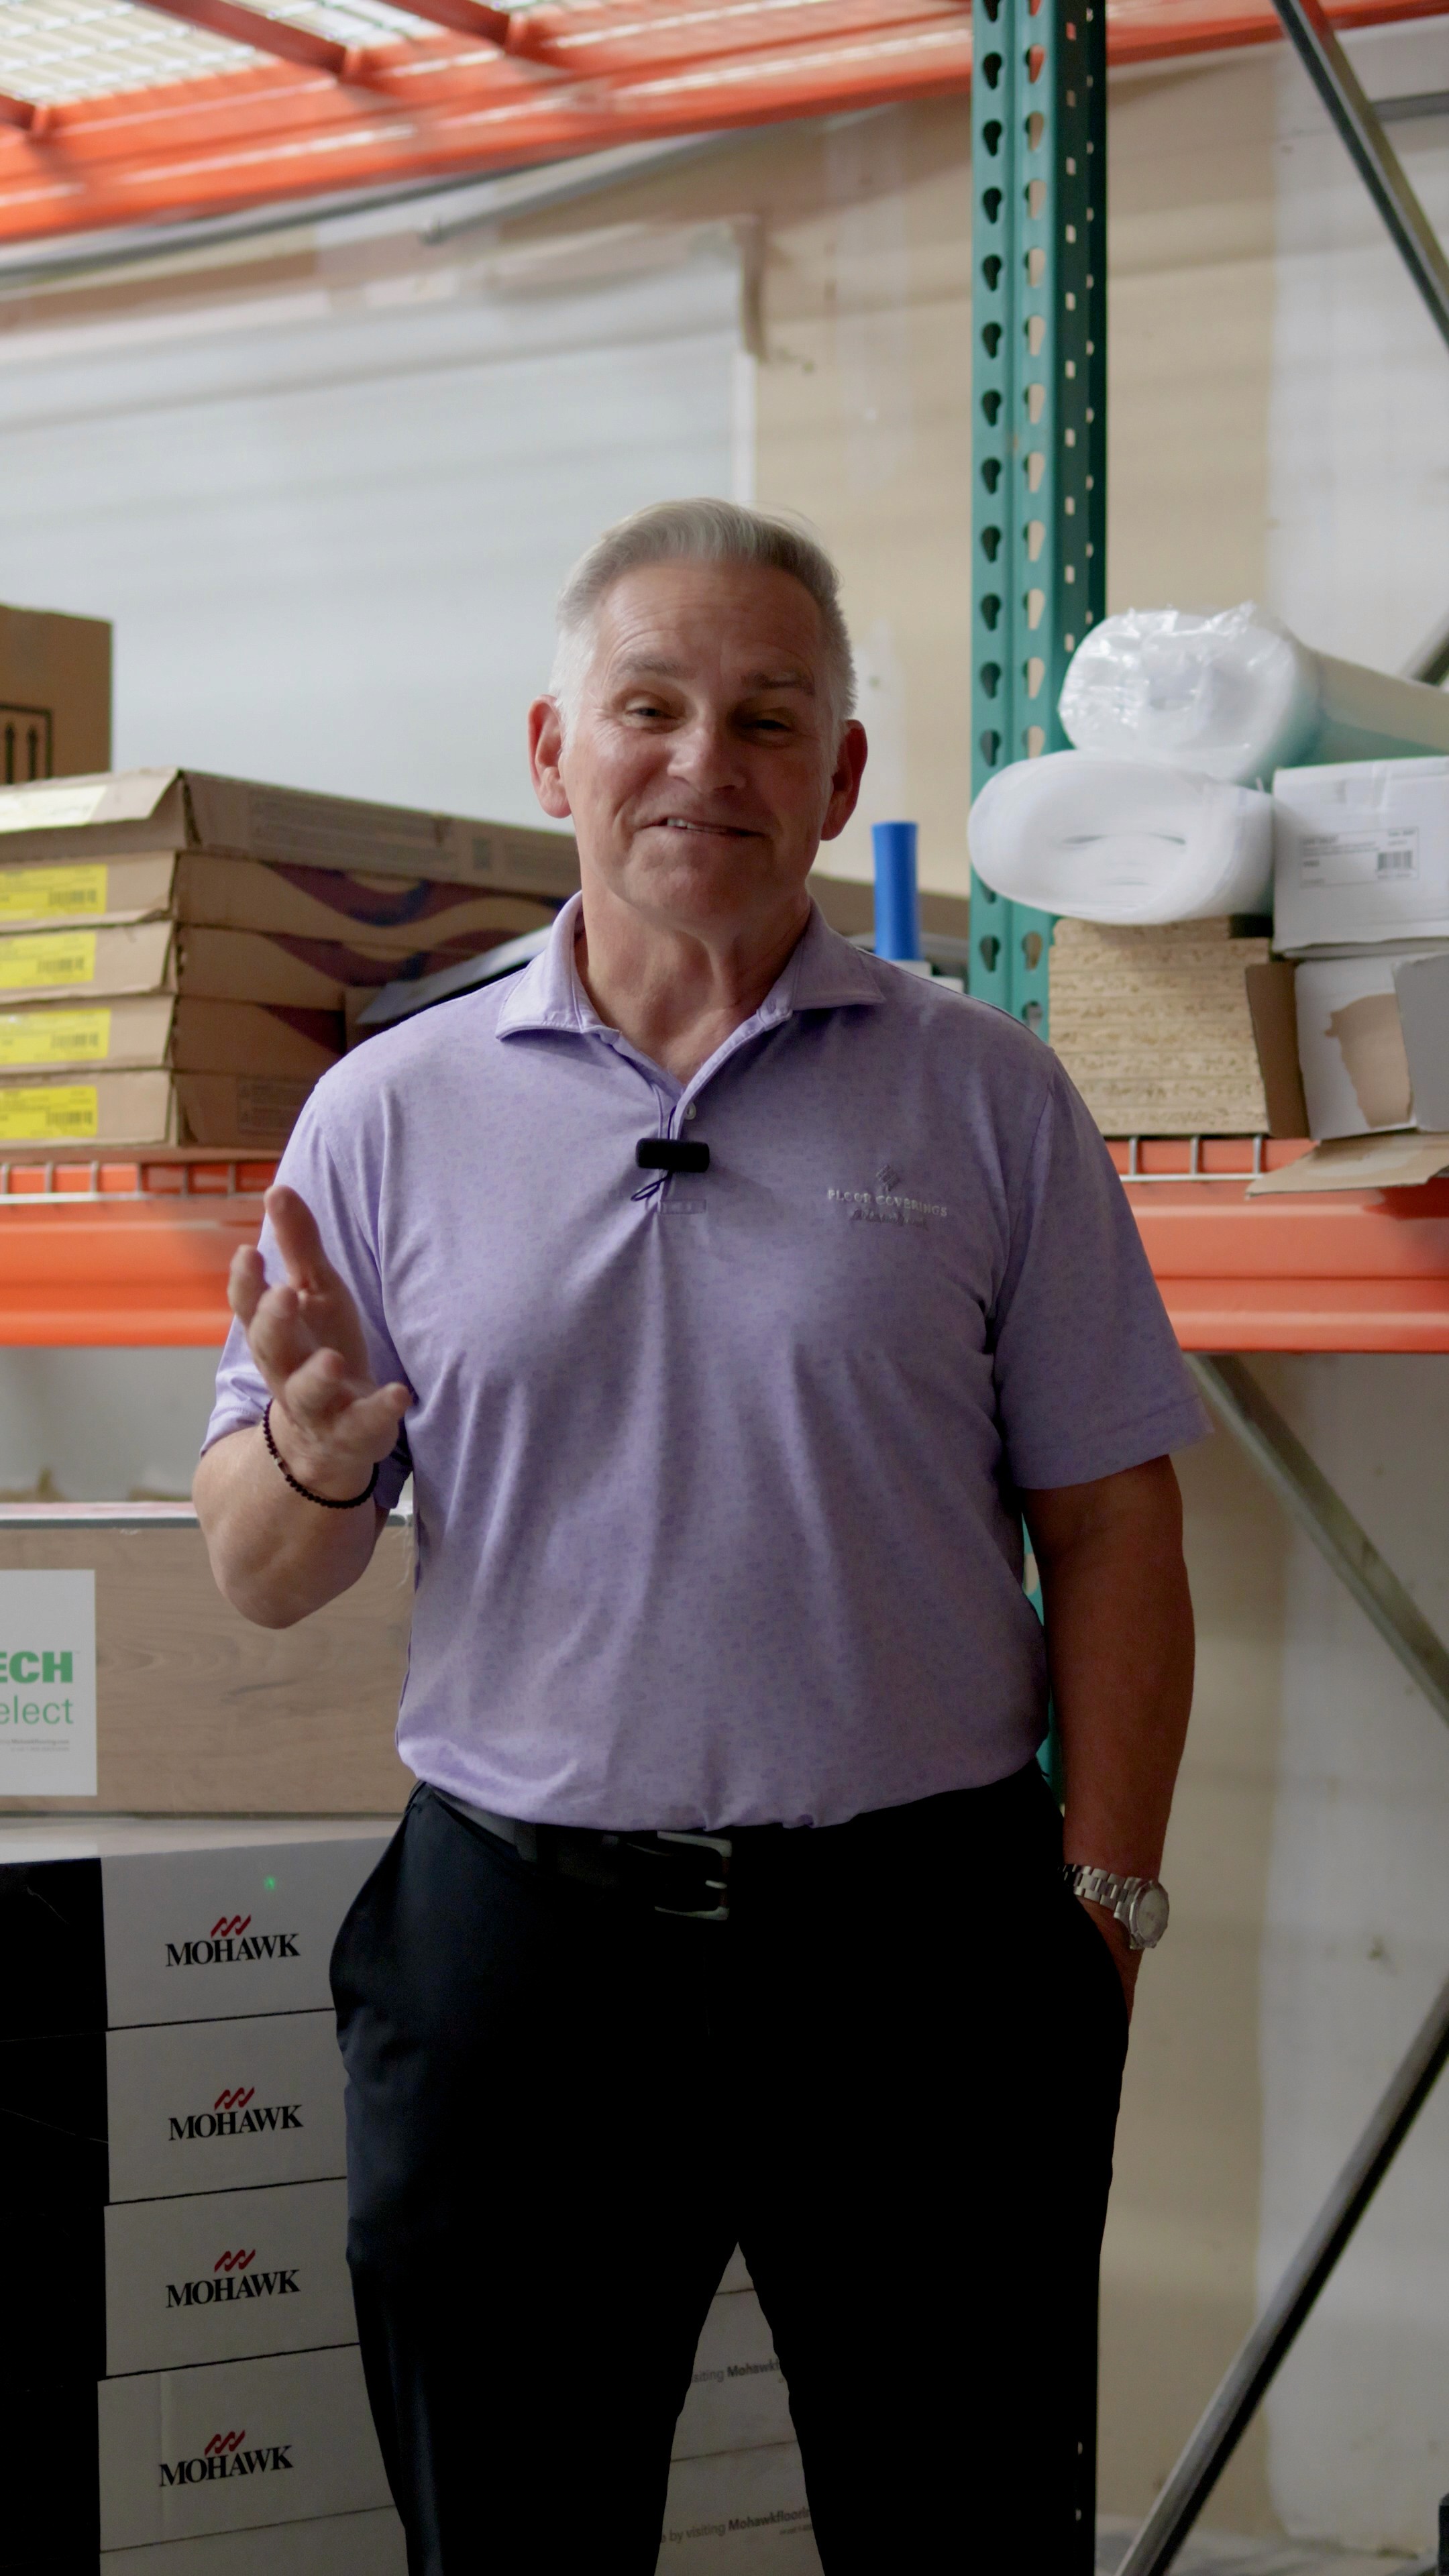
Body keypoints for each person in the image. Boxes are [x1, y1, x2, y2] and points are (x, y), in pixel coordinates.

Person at [195, 498, 1205, 2575]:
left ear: (838, 777)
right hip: (518, 1955)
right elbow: (259, 1572)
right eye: (647, 708)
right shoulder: (389, 1112)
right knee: (515, 2536)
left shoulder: (990, 1100)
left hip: (923, 1952)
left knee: (962, 2529)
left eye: (766, 719)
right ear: (553, 751)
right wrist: (307, 1450)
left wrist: (1099, 1906)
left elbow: (1114, 1519)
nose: (702, 764)